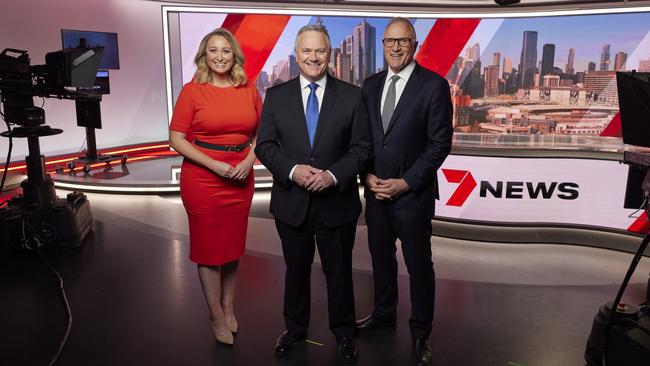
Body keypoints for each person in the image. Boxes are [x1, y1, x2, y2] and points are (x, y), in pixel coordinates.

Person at [255, 24, 371, 364]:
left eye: (320, 50)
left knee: (339, 272)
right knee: (295, 270)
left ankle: (345, 333)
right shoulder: (277, 96)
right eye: (306, 51)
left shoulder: (352, 95)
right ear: (296, 54)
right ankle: (295, 328)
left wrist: (333, 175)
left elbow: (362, 148)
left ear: (330, 54)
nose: (313, 57)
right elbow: (265, 145)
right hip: (292, 203)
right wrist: (293, 170)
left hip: (336, 202)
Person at [357, 17, 453, 366]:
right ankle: (383, 314)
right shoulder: (369, 86)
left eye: (403, 41)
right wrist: (367, 176)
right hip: (376, 193)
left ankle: (419, 333)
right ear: (382, 45)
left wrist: (405, 182)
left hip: (412, 196)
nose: (396, 47)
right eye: (389, 41)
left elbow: (439, 143)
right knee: (381, 260)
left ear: (415, 45)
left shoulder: (433, 86)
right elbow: (363, 140)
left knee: (418, 266)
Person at [168, 28, 261, 346]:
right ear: (204, 56)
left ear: (234, 54)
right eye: (212, 50)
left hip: (241, 180)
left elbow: (263, 132)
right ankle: (216, 314)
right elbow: (176, 139)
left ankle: (229, 306)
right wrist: (215, 165)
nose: (219, 56)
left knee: (232, 248)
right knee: (209, 252)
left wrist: (250, 160)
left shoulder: (248, 88)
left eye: (225, 50)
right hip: (203, 181)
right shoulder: (192, 91)